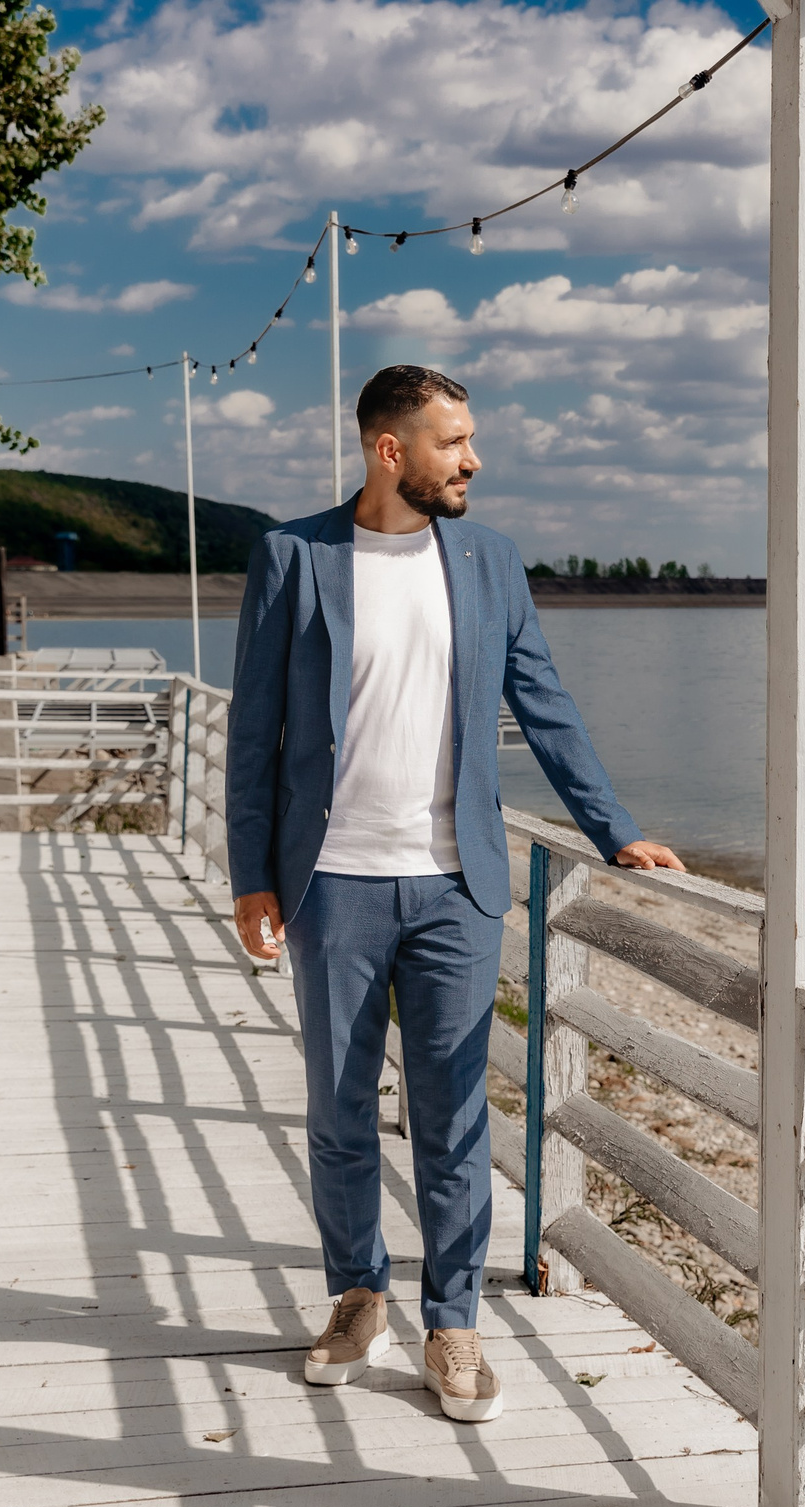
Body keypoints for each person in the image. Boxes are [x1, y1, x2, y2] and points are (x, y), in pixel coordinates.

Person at [224, 364, 683, 1423]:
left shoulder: (488, 560)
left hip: (456, 886)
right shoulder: (294, 555)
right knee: (339, 1109)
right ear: (391, 450)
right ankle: (357, 1297)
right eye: (453, 442)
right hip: (331, 882)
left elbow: (543, 700)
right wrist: (251, 874)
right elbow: (254, 730)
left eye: (469, 439)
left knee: (454, 1116)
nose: (473, 459)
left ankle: (454, 1322)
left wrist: (613, 828)